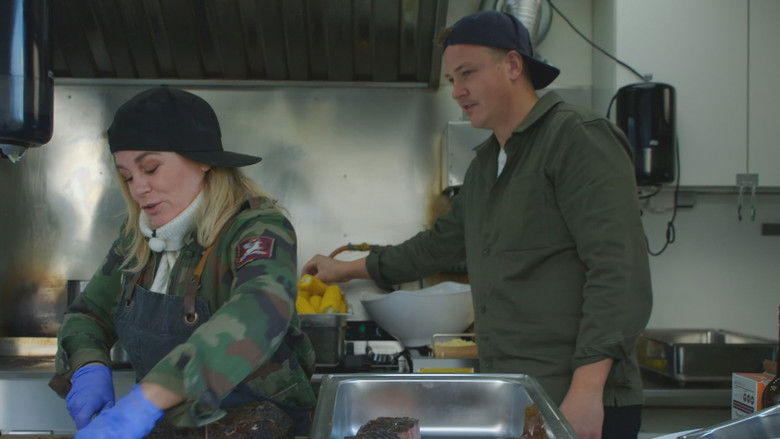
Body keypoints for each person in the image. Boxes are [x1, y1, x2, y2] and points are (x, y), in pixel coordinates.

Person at [303, 11, 652, 439]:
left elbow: (619, 271)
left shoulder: (578, 138)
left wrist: (587, 390)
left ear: (513, 65)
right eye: (452, 79)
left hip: (577, 399)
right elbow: (439, 245)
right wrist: (347, 269)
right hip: (515, 393)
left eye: (467, 73)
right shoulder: (486, 165)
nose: (457, 91)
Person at [49, 87, 317, 438]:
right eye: (127, 176)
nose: (138, 188)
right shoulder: (136, 238)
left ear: (203, 161)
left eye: (150, 168)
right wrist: (88, 367)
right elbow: (89, 314)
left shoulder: (257, 228)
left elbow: (260, 309)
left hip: (261, 428)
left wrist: (146, 400)